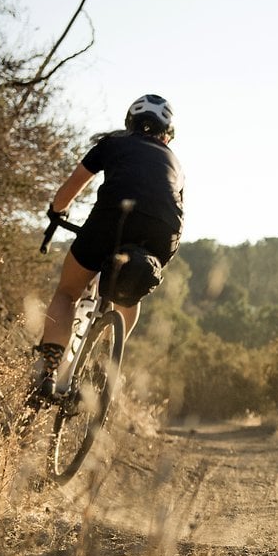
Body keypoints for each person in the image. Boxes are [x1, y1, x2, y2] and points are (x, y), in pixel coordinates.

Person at [31, 94, 184, 399]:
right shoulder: (174, 161)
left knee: (68, 292)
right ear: (166, 134)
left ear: (130, 123)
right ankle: (109, 357)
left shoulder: (113, 143)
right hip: (164, 231)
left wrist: (57, 211)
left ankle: (47, 372)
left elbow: (68, 192)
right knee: (131, 286)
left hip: (112, 217)